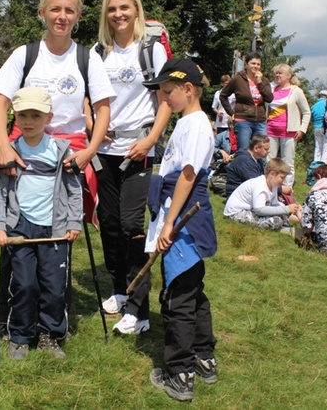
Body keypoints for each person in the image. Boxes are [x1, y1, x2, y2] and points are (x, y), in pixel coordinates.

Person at [0, 0, 115, 337]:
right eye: (55, 10)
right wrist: (3, 145)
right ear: (42, 13)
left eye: (69, 11)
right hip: (24, 145)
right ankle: (11, 309)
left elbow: (103, 107)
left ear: (78, 16)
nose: (62, 17)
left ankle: (55, 308)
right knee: (16, 221)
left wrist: (89, 151)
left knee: (61, 226)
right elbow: (1, 102)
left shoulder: (87, 57)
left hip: (69, 151)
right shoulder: (25, 54)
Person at [91, 0, 171, 334]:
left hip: (139, 148)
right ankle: (119, 288)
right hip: (104, 151)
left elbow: (168, 100)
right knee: (108, 224)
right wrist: (94, 123)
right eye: (112, 9)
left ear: (136, 10)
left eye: (125, 8)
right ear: (105, 15)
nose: (119, 15)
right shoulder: (97, 51)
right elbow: (87, 96)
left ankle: (139, 308)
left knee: (130, 225)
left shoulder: (151, 50)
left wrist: (151, 140)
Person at [142, 58, 218, 402]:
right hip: (178, 213)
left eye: (168, 91)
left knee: (178, 299)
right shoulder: (188, 122)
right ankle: (204, 357)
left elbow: (188, 175)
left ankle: (179, 373)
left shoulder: (197, 124)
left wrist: (170, 222)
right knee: (192, 292)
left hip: (185, 221)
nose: (164, 98)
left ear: (189, 89)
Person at [0, 88, 82, 360]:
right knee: (24, 284)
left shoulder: (60, 150)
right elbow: (0, 192)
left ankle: (50, 335)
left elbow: (74, 190)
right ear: (14, 116)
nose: (28, 121)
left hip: (54, 230)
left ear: (48, 117)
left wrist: (73, 221)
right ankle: (19, 335)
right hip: (20, 228)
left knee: (54, 287)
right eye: (22, 115)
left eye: (36, 115)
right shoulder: (10, 151)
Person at [223, 158, 301, 230]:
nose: (283, 181)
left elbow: (274, 204)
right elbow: (259, 209)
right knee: (275, 221)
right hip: (236, 212)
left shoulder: (273, 186)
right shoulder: (260, 185)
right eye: (282, 177)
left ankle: (285, 226)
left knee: (282, 214)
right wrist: (286, 209)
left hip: (250, 210)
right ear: (272, 174)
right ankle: (283, 229)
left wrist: (290, 209)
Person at [266, 64, 310, 186]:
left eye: (280, 73)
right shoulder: (271, 89)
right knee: (269, 161)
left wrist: (302, 129)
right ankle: (269, 187)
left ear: (289, 75)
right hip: (270, 130)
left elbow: (307, 112)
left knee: (288, 162)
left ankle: (287, 189)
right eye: (276, 73)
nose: (277, 75)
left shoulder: (296, 91)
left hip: (289, 132)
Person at [219, 51, 273, 152]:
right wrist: (231, 113)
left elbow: (269, 98)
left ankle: (260, 168)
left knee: (262, 151)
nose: (255, 66)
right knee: (243, 150)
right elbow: (223, 96)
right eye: (253, 63)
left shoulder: (264, 80)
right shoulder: (238, 79)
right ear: (246, 64)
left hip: (260, 120)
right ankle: (243, 168)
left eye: (258, 64)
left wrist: (259, 82)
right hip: (243, 120)